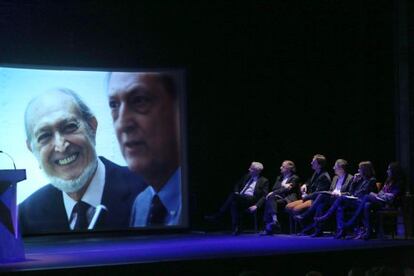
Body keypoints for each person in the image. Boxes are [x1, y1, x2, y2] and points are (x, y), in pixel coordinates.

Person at [19, 89, 146, 235]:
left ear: (92, 127)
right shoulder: (23, 218)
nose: (61, 146)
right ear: (32, 149)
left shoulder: (147, 190)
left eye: (69, 127)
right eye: (45, 136)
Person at [107, 72, 181, 227]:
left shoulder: (205, 200)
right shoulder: (141, 204)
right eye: (114, 105)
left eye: (139, 100)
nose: (122, 124)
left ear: (178, 108)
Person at [339, 162, 404, 239]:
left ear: (394, 171)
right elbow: (382, 192)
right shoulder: (388, 181)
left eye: (389, 169)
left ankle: (352, 221)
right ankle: (369, 232)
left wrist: (379, 195)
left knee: (367, 196)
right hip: (381, 201)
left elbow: (391, 197)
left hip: (388, 204)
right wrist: (379, 195)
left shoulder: (399, 183)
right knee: (366, 205)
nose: (387, 171)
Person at [314, 161, 377, 239]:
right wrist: (354, 182)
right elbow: (352, 191)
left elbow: (363, 192)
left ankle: (326, 216)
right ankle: (341, 231)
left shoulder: (372, 180)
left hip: (362, 202)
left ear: (365, 170)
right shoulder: (360, 179)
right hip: (356, 200)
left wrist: (355, 192)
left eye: (359, 169)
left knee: (341, 198)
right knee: (340, 206)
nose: (358, 171)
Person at [205, 162, 269, 235]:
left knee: (233, 197)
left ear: (257, 171)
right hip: (240, 198)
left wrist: (256, 206)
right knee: (233, 203)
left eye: (251, 169)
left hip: (251, 199)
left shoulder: (264, 180)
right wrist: (236, 192)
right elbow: (237, 184)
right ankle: (236, 228)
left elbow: (264, 196)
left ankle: (218, 216)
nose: (249, 169)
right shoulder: (247, 176)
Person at [294, 159, 353, 236]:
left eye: (335, 166)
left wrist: (339, 193)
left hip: (341, 199)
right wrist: (333, 193)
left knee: (321, 199)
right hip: (331, 198)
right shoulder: (335, 178)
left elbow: (350, 193)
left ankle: (305, 215)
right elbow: (330, 190)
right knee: (320, 204)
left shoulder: (350, 178)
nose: (333, 168)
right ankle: (317, 230)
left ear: (341, 168)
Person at [262, 160, 301, 235]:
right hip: (278, 198)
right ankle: (274, 220)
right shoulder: (279, 178)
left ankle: (269, 226)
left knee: (270, 199)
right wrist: (279, 190)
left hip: (288, 199)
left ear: (289, 168)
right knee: (270, 199)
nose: (280, 168)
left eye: (283, 166)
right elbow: (275, 188)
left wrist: (275, 192)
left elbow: (288, 189)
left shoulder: (294, 178)